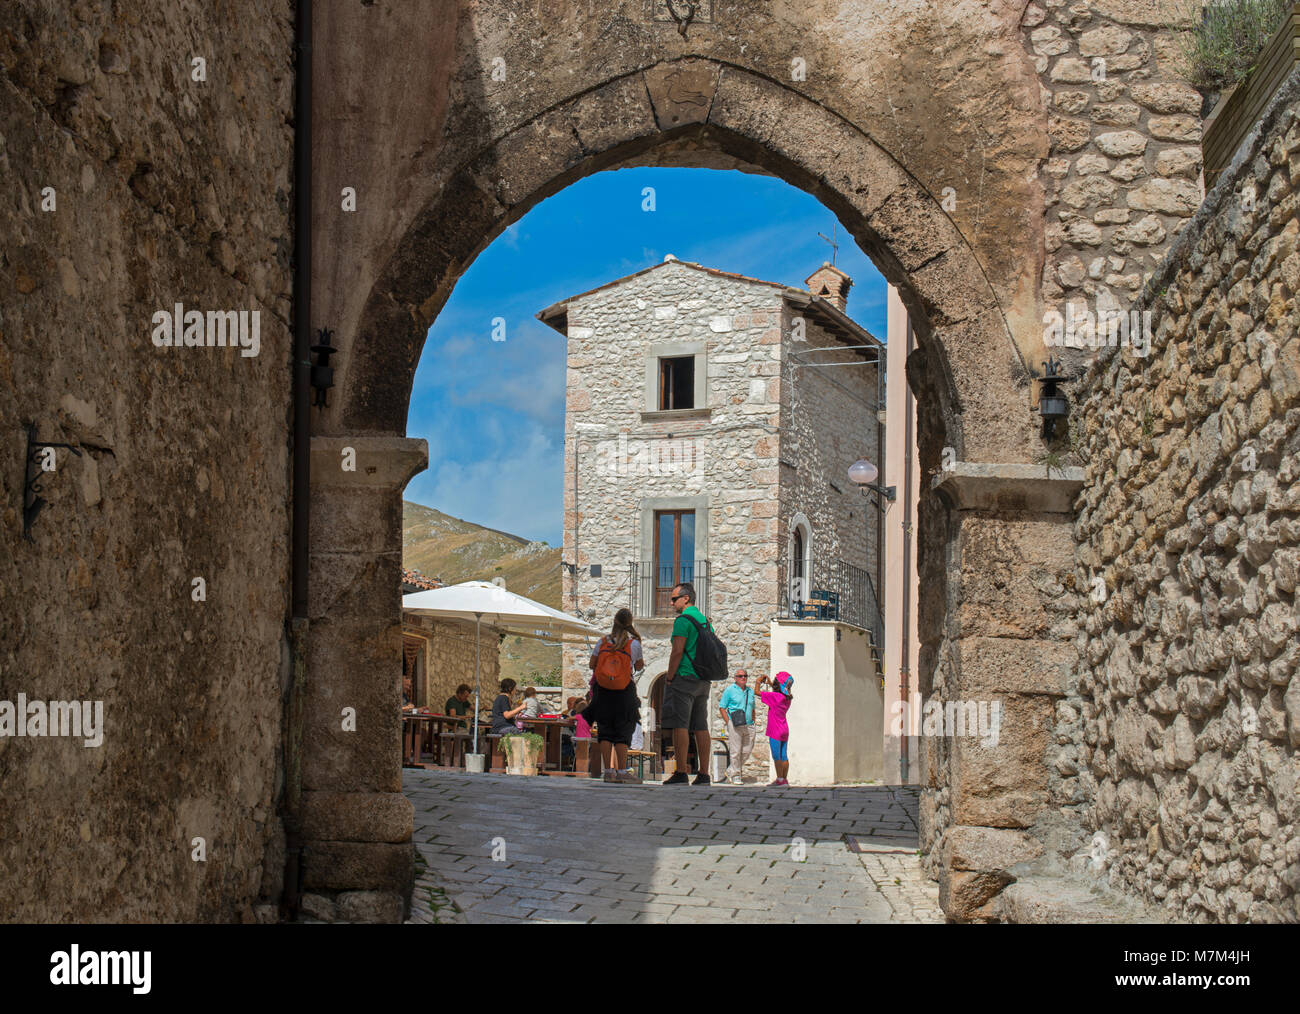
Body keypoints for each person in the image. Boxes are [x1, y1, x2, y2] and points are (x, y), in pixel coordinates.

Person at [661, 582, 714, 785]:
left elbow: (677, 651)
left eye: (674, 599)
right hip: (703, 679)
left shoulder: (683, 620)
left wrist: (670, 676)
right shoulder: (705, 622)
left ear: (686, 598)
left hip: (684, 676)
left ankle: (681, 772)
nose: (671, 603)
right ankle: (704, 773)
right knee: (701, 725)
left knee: (680, 725)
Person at [587, 607, 645, 783]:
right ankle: (621, 771)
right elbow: (639, 666)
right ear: (630, 623)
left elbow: (591, 664)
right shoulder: (633, 644)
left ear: (614, 622)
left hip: (603, 691)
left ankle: (608, 772)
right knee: (623, 730)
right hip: (624, 691)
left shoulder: (602, 642)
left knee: (605, 730)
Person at [717, 669, 756, 784]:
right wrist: (728, 722)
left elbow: (753, 707)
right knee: (735, 751)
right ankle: (735, 776)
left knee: (747, 750)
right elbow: (722, 707)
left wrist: (753, 720)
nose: (743, 678)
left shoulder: (750, 691)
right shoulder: (729, 690)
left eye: (745, 676)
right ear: (735, 678)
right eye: (740, 676)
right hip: (735, 724)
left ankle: (730, 770)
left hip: (749, 724)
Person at [756, 672, 794, 786]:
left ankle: (780, 780)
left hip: (775, 730)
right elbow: (780, 690)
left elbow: (756, 692)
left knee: (776, 756)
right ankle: (784, 779)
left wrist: (758, 681)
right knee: (784, 755)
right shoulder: (787, 698)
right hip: (784, 728)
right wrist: (770, 683)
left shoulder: (774, 697)